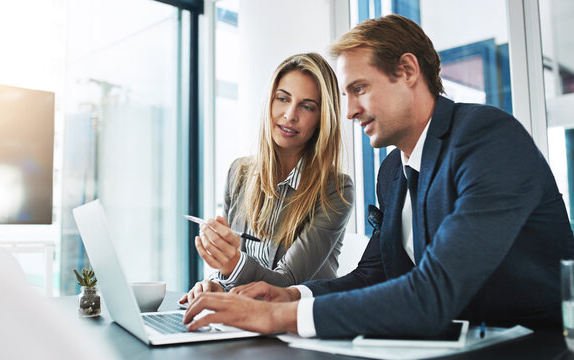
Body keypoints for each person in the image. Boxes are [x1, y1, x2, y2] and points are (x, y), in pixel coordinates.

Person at [182, 14, 574, 338]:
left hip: (534, 346)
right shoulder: (392, 172)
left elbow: (436, 291)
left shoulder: (486, 138)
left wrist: (280, 319)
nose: (349, 111)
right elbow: (374, 274)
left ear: (407, 70)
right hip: (449, 345)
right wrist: (292, 297)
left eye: (359, 89)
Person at [179, 53, 354, 305]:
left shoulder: (336, 189)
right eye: (283, 99)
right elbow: (232, 273)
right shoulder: (238, 173)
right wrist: (216, 283)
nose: (290, 115)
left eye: (307, 106)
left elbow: (286, 285)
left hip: (295, 325)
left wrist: (232, 264)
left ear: (321, 119)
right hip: (244, 319)